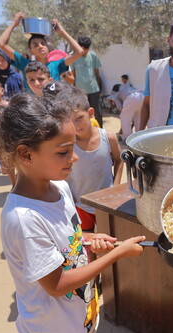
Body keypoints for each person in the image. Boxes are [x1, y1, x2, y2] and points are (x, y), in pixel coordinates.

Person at [0, 93, 146, 333]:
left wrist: (88, 238)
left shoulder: (60, 188)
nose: (74, 158)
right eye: (63, 151)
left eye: (72, 148)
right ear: (26, 155)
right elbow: (57, 284)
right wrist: (115, 255)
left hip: (76, 324)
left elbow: (65, 238)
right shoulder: (24, 218)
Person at [46, 85, 122, 231]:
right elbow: (59, 172)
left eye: (79, 118)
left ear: (91, 113)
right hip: (79, 205)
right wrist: (69, 198)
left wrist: (116, 188)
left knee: (107, 241)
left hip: (105, 204)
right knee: (85, 244)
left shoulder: (108, 137)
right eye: (69, 121)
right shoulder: (66, 145)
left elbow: (119, 161)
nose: (75, 126)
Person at [0, 12, 84, 90]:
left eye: (43, 43)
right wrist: (14, 23)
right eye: (35, 45)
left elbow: (79, 51)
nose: (40, 46)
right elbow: (1, 43)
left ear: (48, 49)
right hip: (34, 107)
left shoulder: (57, 65)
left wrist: (62, 32)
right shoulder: (25, 64)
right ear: (31, 51)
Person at [71, 36, 104, 127]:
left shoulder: (93, 55)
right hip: (80, 91)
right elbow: (73, 75)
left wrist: (100, 89)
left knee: (97, 112)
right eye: (82, 49)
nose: (85, 51)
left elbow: (97, 73)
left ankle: (100, 131)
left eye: (87, 49)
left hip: (94, 89)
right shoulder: (72, 56)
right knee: (82, 113)